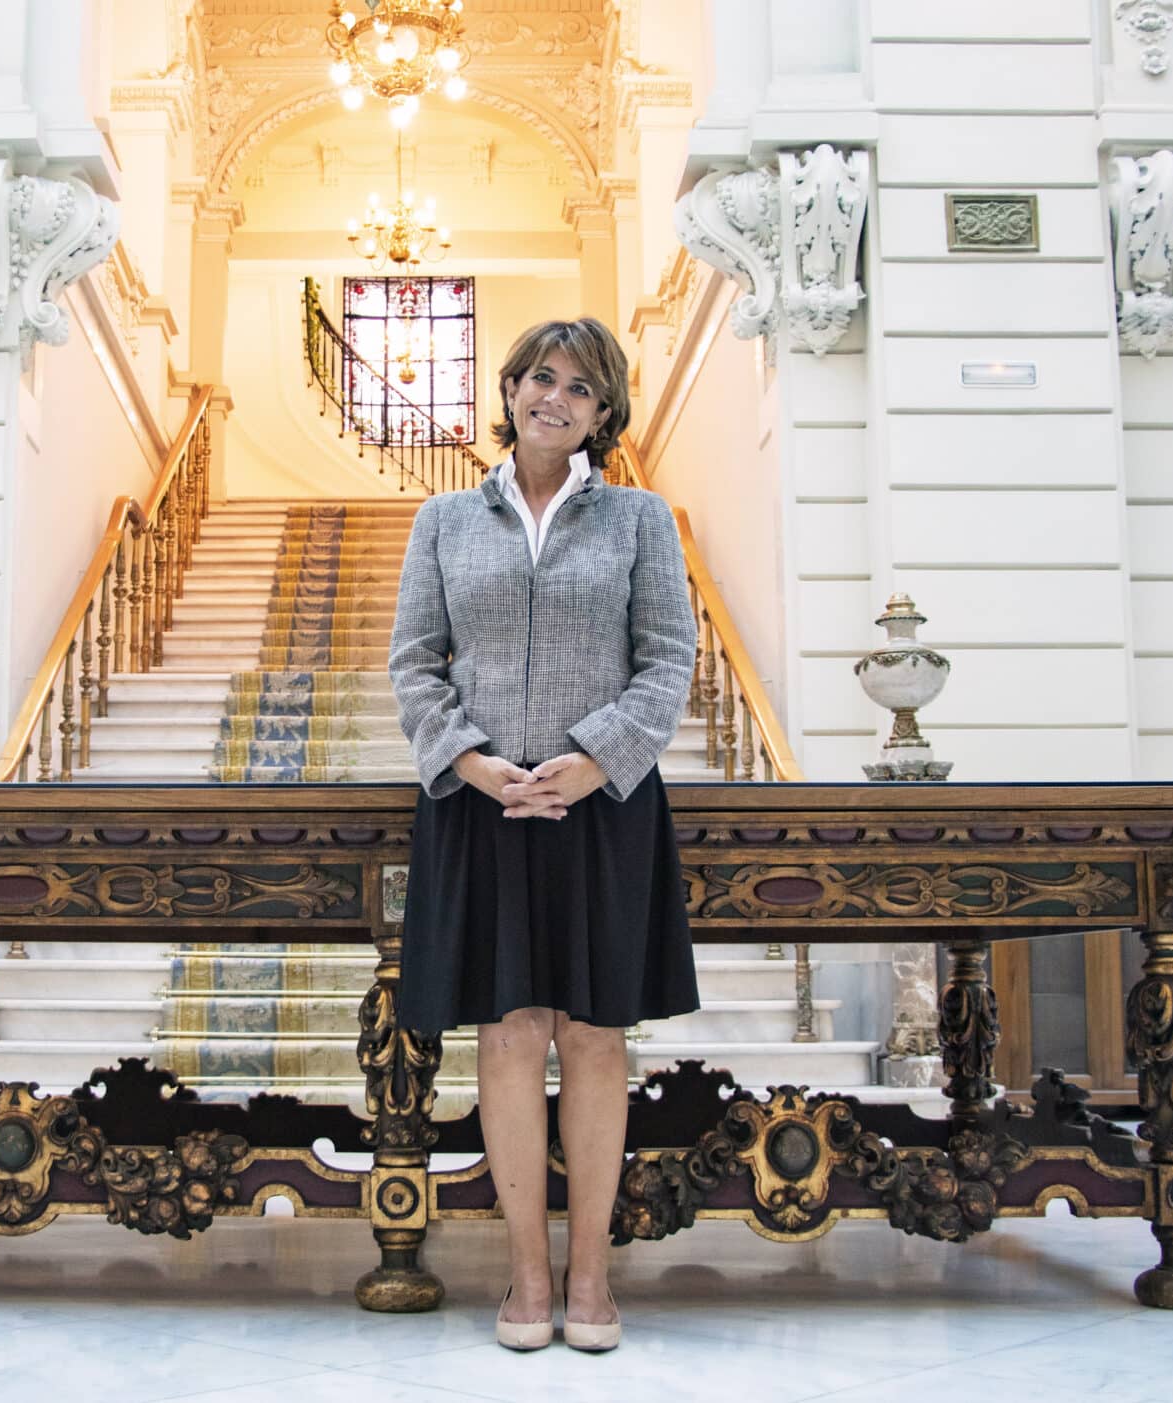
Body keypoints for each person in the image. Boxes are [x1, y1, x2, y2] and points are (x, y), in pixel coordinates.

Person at [387, 316, 700, 1353]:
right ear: (510, 389)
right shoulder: (442, 519)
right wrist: (471, 760)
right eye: (536, 377)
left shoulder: (640, 519)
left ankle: (592, 1271)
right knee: (510, 1033)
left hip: (602, 805)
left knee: (595, 1035)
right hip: (479, 804)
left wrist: (597, 755)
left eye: (577, 385)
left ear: (602, 410)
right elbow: (413, 662)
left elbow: (665, 659)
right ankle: (527, 1274)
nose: (552, 397)